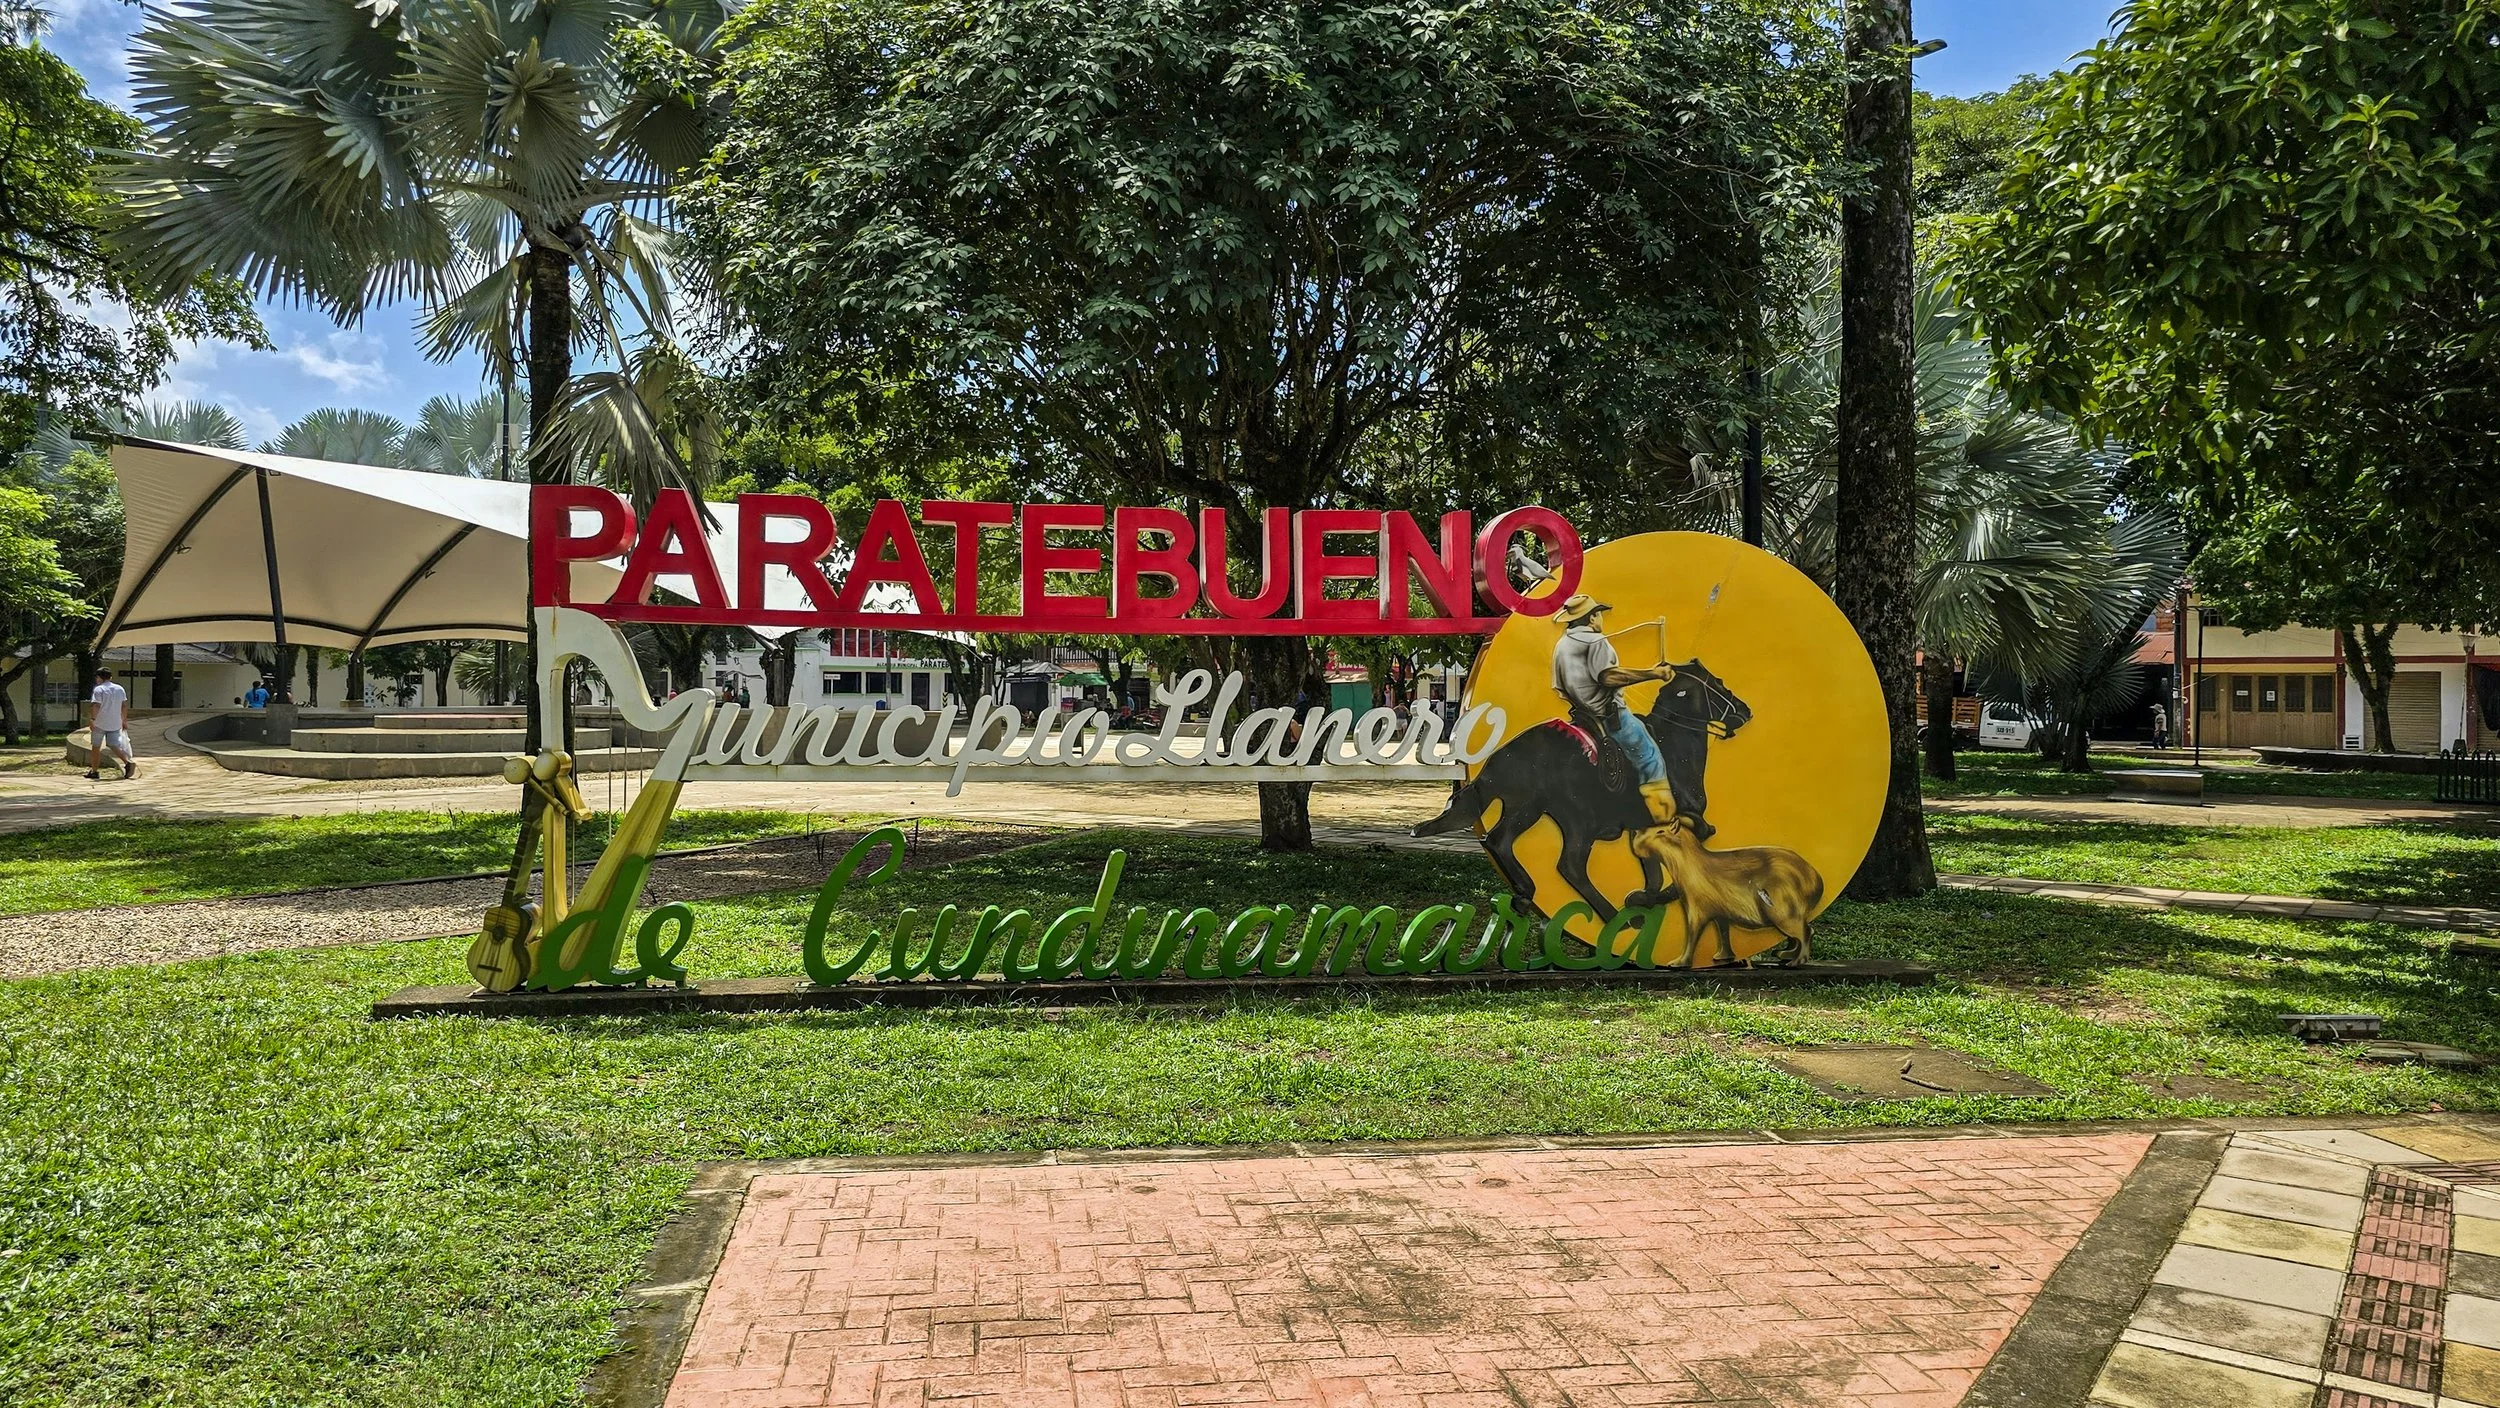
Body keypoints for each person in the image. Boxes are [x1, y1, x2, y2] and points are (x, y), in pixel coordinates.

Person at [1550, 594, 1678, 821]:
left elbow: (1560, 687)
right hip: (1608, 716)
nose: (1601, 619)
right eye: (1598, 614)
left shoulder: (1562, 644)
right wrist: (1653, 673)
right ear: (1592, 618)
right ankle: (1665, 822)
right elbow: (1607, 676)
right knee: (1650, 758)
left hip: (1581, 715)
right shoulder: (1596, 641)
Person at [84, 667, 134, 781]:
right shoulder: (120, 689)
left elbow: (96, 705)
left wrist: (92, 719)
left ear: (99, 677)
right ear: (110, 677)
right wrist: (124, 720)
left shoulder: (99, 690)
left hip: (100, 723)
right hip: (115, 722)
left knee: (96, 747)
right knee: (113, 744)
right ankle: (127, 762)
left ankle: (94, 771)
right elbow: (124, 706)